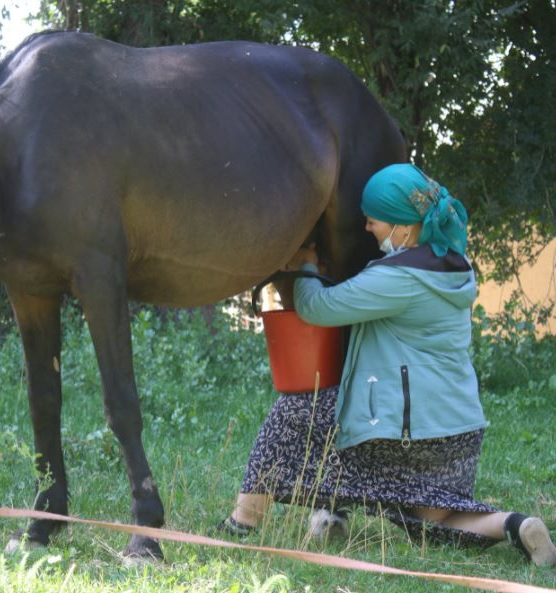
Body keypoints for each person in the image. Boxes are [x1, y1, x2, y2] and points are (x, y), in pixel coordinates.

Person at [219, 163, 556, 566]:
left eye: (373, 220)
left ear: (403, 225)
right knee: (431, 519)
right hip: (459, 435)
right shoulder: (452, 263)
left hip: (411, 435)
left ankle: (244, 520)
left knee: (297, 413)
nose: (367, 228)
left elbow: (317, 308)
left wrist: (307, 265)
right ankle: (516, 525)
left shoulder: (399, 279)